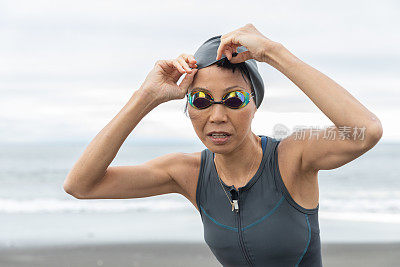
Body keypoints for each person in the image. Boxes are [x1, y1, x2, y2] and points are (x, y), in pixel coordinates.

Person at [63, 23, 383, 266]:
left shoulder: (291, 157)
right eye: (201, 100)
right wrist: (144, 97)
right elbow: (80, 185)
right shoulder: (187, 172)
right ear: (188, 107)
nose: (217, 116)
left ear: (254, 105)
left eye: (234, 99)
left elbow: (366, 130)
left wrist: (273, 52)